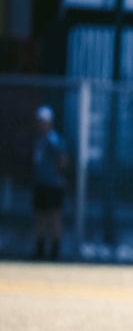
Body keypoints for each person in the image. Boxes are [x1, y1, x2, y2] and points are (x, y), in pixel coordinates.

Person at [32, 105, 69, 260]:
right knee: (40, 216)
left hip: (53, 185)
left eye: (42, 121)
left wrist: (57, 176)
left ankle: (55, 250)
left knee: (54, 216)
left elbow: (63, 161)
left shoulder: (54, 140)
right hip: (41, 184)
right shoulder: (40, 140)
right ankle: (40, 249)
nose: (40, 124)